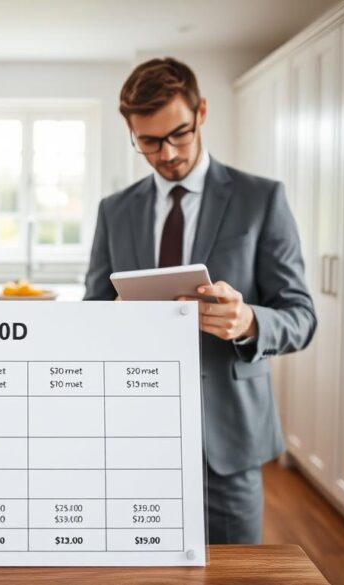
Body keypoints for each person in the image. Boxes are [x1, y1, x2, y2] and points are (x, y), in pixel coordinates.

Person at [84, 57, 317, 544]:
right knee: (140, 570)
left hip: (229, 439)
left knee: (237, 573)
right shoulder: (114, 211)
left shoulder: (262, 200)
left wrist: (248, 321)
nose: (167, 153)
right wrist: (112, 320)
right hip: (134, 434)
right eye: (149, 141)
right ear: (131, 133)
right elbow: (93, 312)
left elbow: (300, 317)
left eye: (179, 134)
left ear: (202, 112)